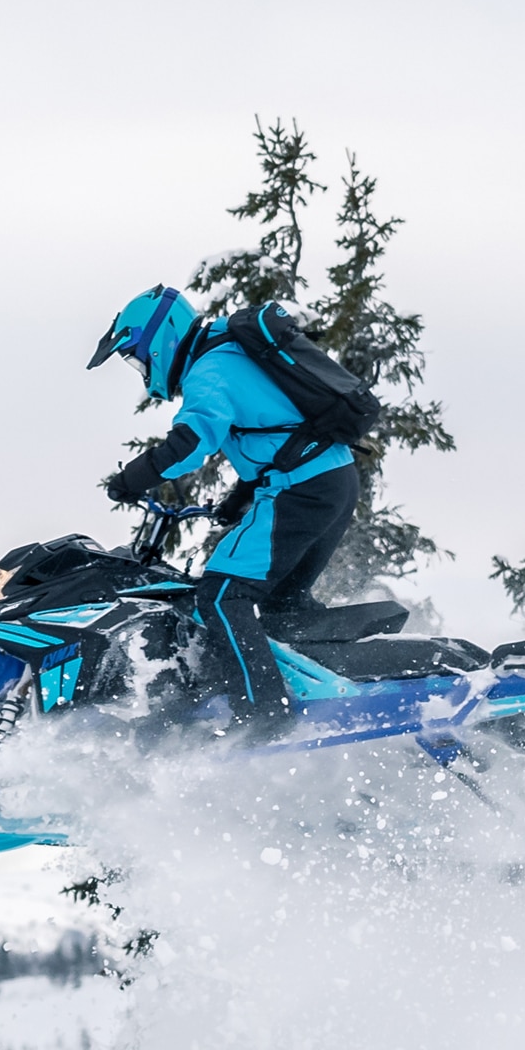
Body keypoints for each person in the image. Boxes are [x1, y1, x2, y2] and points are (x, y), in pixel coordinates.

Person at [86, 284, 360, 736]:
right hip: (332, 480)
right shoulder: (228, 354)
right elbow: (271, 435)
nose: (143, 371)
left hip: (304, 489)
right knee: (281, 603)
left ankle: (262, 713)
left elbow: (190, 444)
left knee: (219, 594)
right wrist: (236, 500)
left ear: (161, 338)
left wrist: (128, 480)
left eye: (138, 358)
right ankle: (333, 683)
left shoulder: (208, 370)